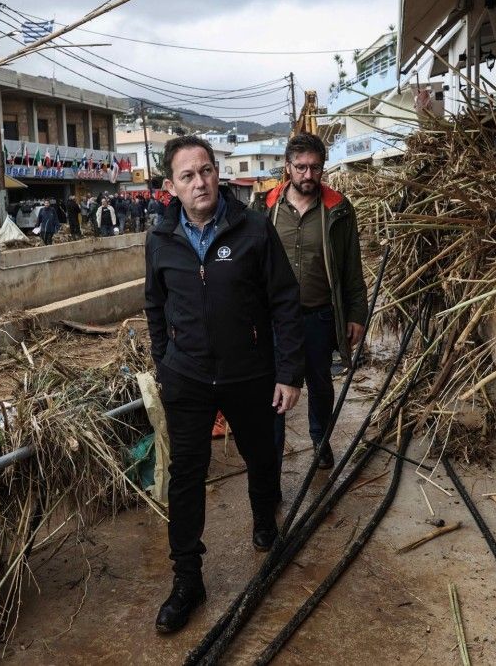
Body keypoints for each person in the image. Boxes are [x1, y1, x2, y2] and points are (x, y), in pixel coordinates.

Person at [145, 135, 304, 634]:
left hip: (248, 373)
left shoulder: (253, 229)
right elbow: (155, 306)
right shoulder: (160, 241)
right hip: (187, 379)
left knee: (261, 456)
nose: (200, 182)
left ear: (219, 173)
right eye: (188, 176)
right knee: (187, 477)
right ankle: (187, 580)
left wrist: (288, 373)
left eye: (207, 171)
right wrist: (164, 364)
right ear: (171, 186)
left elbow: (284, 301)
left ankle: (263, 522)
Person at [265, 132, 367, 471]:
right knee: (273, 387)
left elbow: (352, 266)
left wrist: (356, 314)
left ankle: (320, 441)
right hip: (274, 321)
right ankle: (273, 454)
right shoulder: (266, 208)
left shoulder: (338, 209)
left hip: (318, 316)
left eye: (315, 168)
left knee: (320, 383)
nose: (308, 175)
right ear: (287, 167)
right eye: (301, 167)